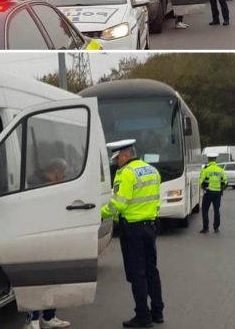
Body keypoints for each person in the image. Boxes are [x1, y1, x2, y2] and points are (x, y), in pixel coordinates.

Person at [101, 139, 164, 328]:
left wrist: (99, 214)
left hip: (133, 231)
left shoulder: (125, 174)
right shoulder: (153, 171)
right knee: (152, 270)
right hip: (150, 227)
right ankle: (158, 311)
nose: (116, 162)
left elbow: (118, 203)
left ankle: (142, 316)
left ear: (125, 155)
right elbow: (156, 201)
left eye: (117, 158)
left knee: (138, 274)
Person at [24, 158, 72, 329]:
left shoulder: (52, 184)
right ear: (56, 172)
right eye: (63, 174)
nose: (64, 177)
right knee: (38, 280)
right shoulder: (35, 184)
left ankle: (49, 317)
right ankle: (33, 320)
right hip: (38, 237)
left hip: (52, 236)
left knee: (53, 279)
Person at [199, 153, 228, 233]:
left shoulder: (206, 169)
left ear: (208, 159)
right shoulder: (220, 169)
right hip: (217, 193)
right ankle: (216, 228)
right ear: (215, 159)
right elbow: (225, 182)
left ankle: (206, 228)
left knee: (205, 210)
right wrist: (221, 189)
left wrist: (203, 187)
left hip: (208, 193)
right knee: (216, 210)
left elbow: (201, 182)